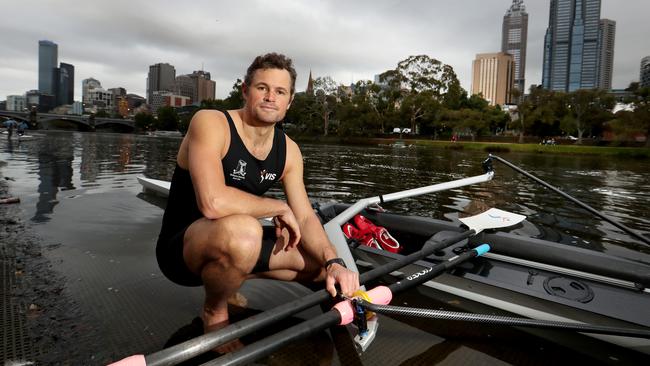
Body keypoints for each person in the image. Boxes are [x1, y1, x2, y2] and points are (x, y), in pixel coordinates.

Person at [156, 53, 360, 352]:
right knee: (245, 231)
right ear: (245, 91)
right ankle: (216, 310)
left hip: (236, 245)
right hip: (182, 252)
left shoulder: (289, 151)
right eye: (262, 88)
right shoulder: (211, 122)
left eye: (280, 91)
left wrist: (335, 262)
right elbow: (212, 203)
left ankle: (232, 275)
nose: (270, 97)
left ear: (290, 101)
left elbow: (304, 217)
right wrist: (277, 207)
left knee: (318, 265)